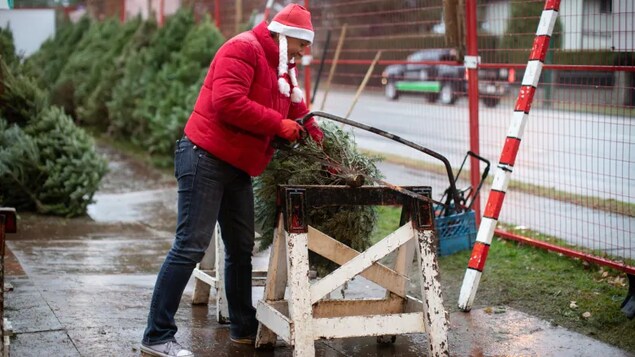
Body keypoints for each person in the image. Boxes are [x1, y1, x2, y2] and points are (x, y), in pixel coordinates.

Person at [140, 4, 323, 357]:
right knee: (190, 245)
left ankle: (243, 326)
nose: (305, 52)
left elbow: (295, 106)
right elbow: (227, 102)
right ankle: (157, 335)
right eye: (302, 43)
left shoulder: (282, 65)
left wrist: (313, 130)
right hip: (205, 158)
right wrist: (276, 124)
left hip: (237, 166)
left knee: (241, 248)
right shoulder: (242, 48)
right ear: (285, 36)